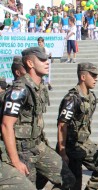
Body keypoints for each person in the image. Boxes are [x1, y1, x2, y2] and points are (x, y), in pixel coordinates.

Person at [1, 47, 76, 189]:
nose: (47, 62)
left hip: (38, 146)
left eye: (46, 59)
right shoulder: (20, 89)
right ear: (30, 63)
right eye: (42, 60)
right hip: (22, 150)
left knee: (68, 180)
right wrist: (15, 161)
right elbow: (6, 125)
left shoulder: (39, 87)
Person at [56, 62, 98, 190]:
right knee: (74, 183)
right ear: (83, 77)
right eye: (93, 75)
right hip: (70, 148)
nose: (96, 79)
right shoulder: (72, 98)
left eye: (97, 76)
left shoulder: (91, 97)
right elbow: (62, 126)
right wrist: (62, 152)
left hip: (85, 144)